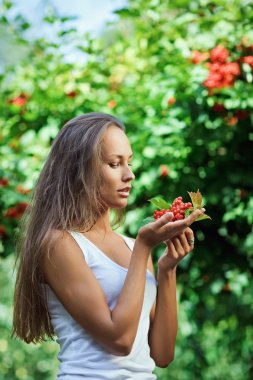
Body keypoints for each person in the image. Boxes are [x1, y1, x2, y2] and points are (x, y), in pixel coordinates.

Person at [12, 112, 205, 380]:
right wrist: (143, 248)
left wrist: (167, 269)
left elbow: (161, 354)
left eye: (129, 162)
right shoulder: (60, 244)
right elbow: (120, 341)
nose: (130, 175)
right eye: (115, 164)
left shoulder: (132, 245)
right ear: (80, 171)